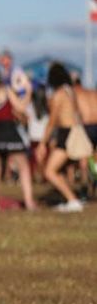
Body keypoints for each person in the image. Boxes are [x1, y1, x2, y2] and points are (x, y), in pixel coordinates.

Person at [36, 63, 97, 212]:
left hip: (67, 134)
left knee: (50, 171)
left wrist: (42, 143)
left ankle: (72, 200)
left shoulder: (59, 95)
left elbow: (52, 121)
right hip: (76, 132)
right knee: (59, 169)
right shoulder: (71, 92)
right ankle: (72, 198)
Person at [0, 67, 36, 211]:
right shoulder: (5, 90)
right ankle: (29, 202)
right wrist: (28, 91)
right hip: (11, 133)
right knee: (23, 168)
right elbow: (21, 107)